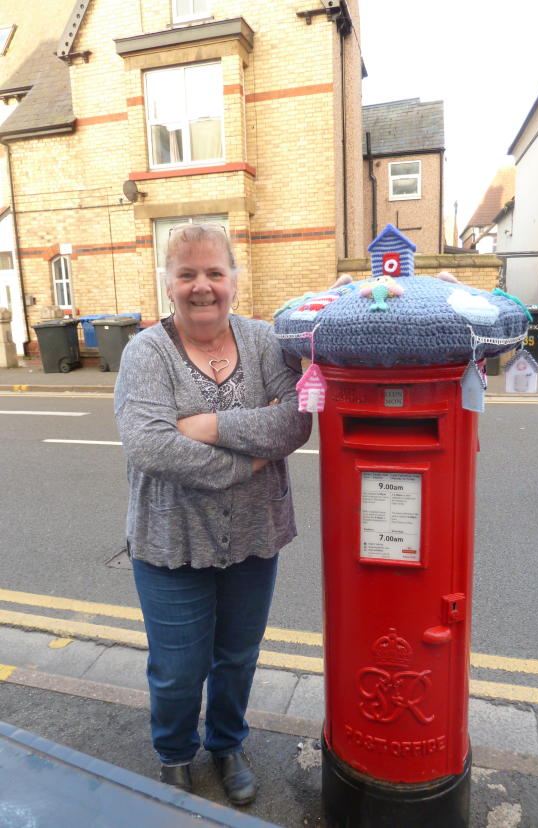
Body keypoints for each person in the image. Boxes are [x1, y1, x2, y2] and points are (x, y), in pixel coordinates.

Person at [114, 223, 312, 806]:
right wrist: (251, 460)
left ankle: (227, 745)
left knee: (237, 657)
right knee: (178, 668)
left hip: (254, 536)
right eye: (187, 274)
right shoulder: (146, 351)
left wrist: (212, 426)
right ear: (167, 282)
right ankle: (175, 752)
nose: (202, 286)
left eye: (214, 273)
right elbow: (151, 445)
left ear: (233, 278)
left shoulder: (265, 341)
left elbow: (296, 420)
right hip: (170, 540)